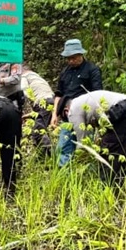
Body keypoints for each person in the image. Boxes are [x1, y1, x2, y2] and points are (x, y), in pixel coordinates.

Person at [65, 90, 126, 185]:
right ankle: (118, 188)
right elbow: (103, 124)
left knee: (108, 152)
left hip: (124, 111)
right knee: (124, 154)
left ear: (66, 110)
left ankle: (107, 188)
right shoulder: (84, 100)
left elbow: (82, 143)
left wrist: (80, 163)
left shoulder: (72, 110)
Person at [50, 39, 103, 167]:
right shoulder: (65, 72)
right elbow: (59, 94)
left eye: (73, 58)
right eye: (68, 58)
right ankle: (64, 175)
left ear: (81, 55)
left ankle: (85, 175)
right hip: (66, 116)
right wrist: (54, 115)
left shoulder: (92, 70)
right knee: (63, 146)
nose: (71, 61)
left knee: (84, 147)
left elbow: (97, 94)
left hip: (85, 116)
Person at [20, 64, 55, 155]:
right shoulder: (36, 77)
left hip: (42, 102)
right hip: (51, 101)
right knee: (43, 130)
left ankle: (50, 156)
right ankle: (44, 158)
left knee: (38, 132)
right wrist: (30, 114)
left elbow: (25, 91)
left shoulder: (24, 76)